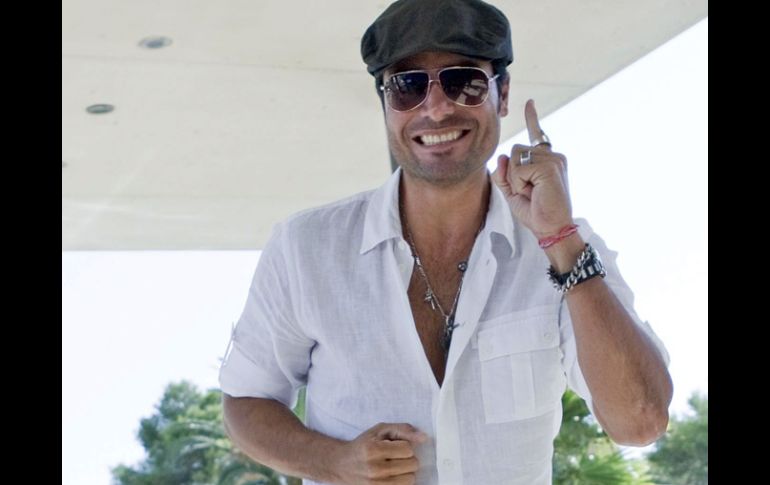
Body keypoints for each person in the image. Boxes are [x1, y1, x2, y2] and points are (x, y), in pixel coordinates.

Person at [218, 0, 673, 483]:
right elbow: (246, 400)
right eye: (407, 86)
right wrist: (333, 461)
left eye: (464, 82)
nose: (435, 108)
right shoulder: (306, 248)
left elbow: (640, 421)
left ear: (502, 95)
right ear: (385, 105)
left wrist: (561, 240)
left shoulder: (566, 250)